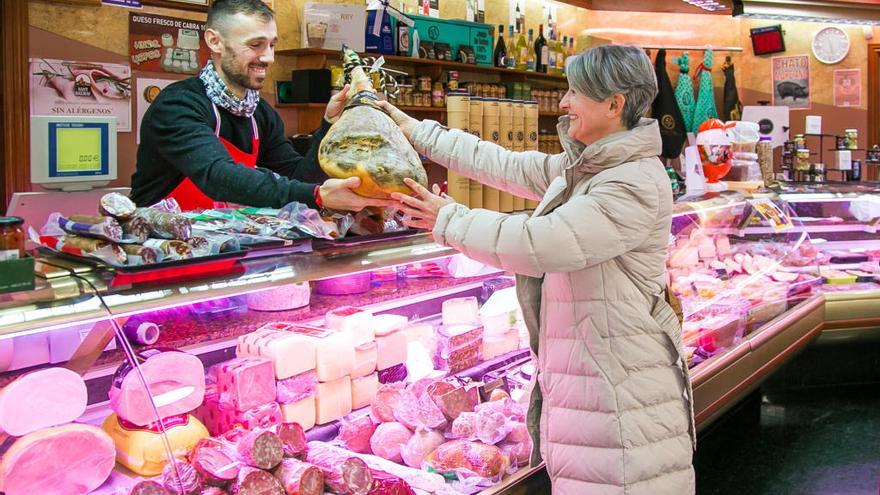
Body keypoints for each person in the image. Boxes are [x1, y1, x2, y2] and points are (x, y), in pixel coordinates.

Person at [377, 45, 695, 494]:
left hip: (621, 396)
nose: (563, 103)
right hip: (598, 385)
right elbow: (505, 164)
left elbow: (540, 243)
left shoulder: (631, 182)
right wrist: (413, 131)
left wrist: (446, 218)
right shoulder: (590, 167)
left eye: (574, 93)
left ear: (613, 104)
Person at [131, 0, 393, 212]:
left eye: (272, 45)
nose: (268, 57)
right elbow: (218, 176)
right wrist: (317, 196)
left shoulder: (259, 113)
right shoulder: (178, 105)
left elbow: (297, 175)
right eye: (255, 45)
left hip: (222, 250)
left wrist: (328, 125)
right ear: (215, 41)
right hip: (162, 251)